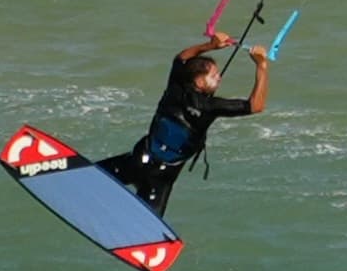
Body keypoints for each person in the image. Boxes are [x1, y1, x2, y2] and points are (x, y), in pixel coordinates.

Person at [97, 29, 267, 214]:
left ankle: (77, 178)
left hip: (139, 158)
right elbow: (255, 106)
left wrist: (209, 46)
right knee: (145, 220)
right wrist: (261, 67)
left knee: (92, 176)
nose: (220, 78)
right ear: (199, 81)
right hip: (161, 177)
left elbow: (181, 58)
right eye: (214, 75)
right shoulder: (211, 106)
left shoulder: (176, 85)